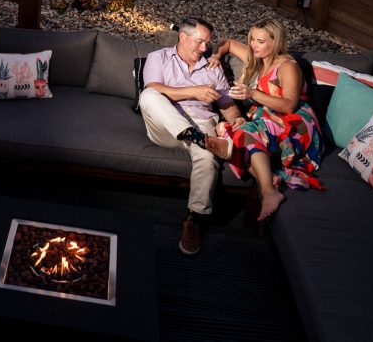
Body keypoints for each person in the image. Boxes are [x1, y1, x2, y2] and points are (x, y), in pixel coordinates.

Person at [139, 17, 243, 256]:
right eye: (200, 42)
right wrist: (194, 92)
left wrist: (238, 119)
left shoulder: (213, 68)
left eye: (207, 43)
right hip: (165, 126)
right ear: (183, 37)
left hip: (201, 123)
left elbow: (227, 107)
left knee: (208, 157)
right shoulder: (159, 57)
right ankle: (197, 138)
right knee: (148, 95)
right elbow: (154, 87)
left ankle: (194, 219)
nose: (204, 48)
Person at [209, 18, 324, 221]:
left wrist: (252, 93)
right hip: (268, 119)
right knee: (224, 130)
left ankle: (269, 192)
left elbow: (289, 105)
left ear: (276, 42)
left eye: (260, 41)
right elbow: (227, 42)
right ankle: (269, 178)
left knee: (245, 132)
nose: (254, 45)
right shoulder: (256, 57)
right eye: (252, 39)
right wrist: (216, 55)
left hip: (294, 122)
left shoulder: (287, 66)